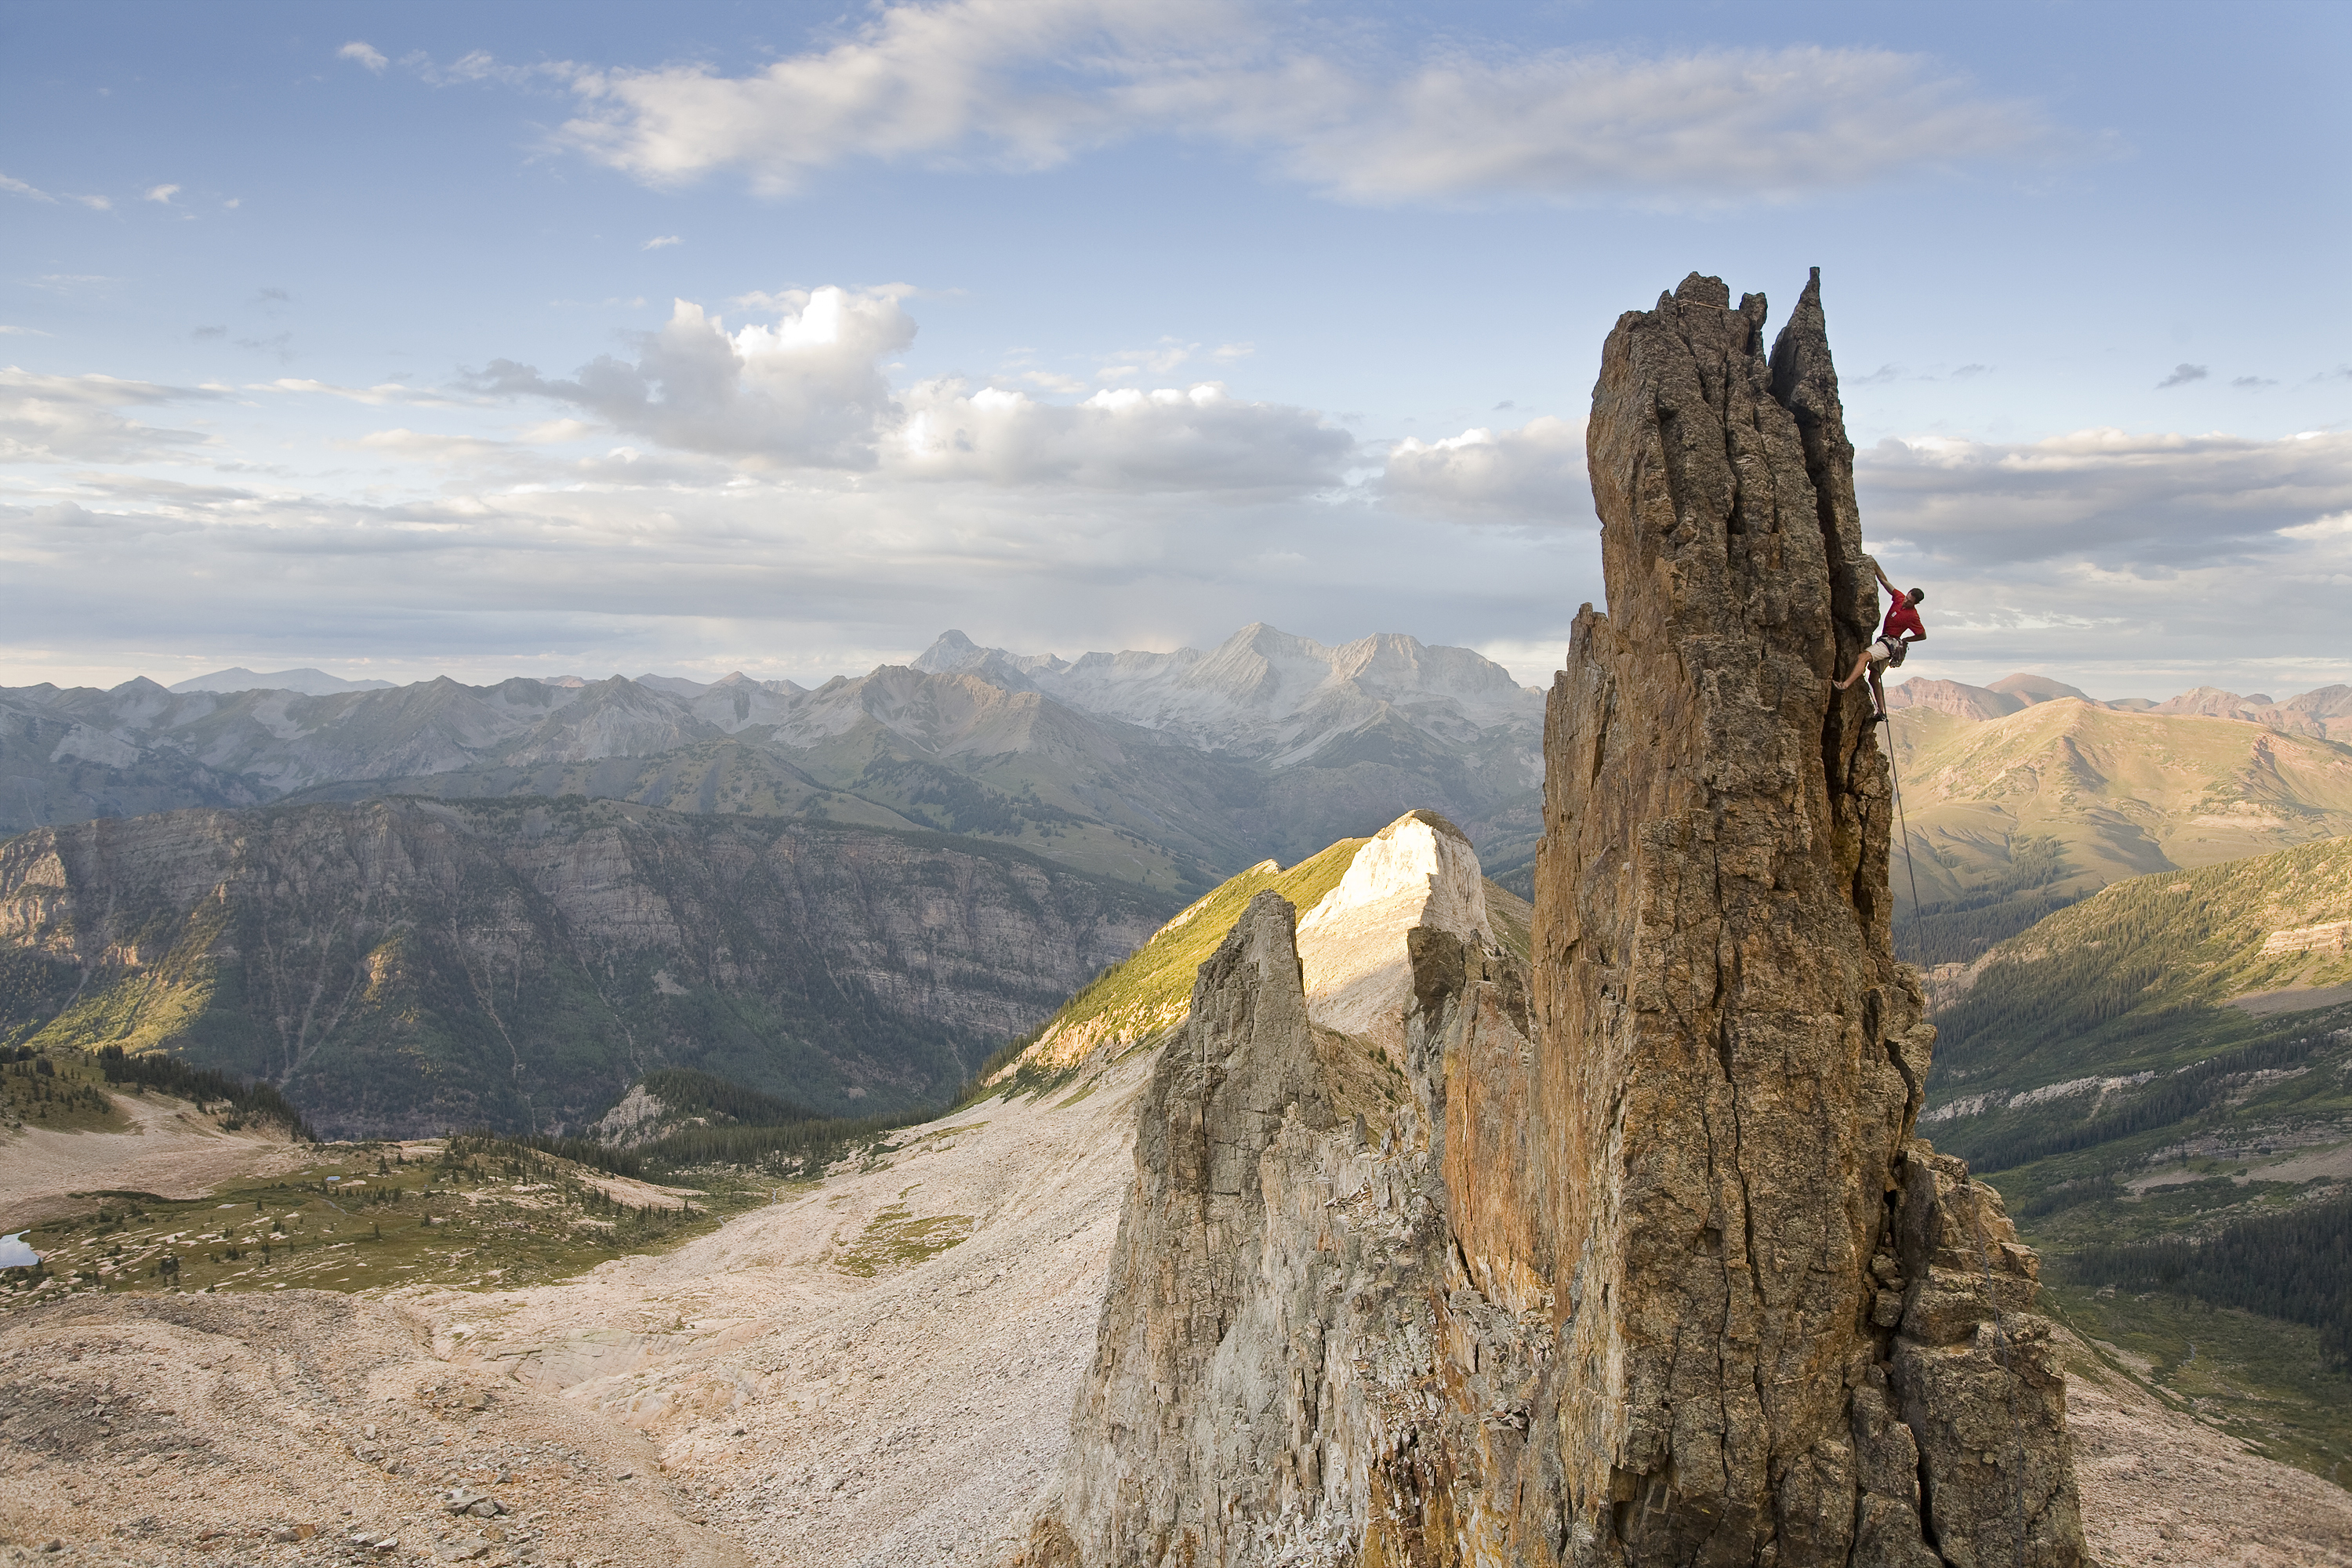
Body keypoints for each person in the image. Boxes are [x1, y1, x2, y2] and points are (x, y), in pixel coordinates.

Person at [1833, 562, 1925, 718]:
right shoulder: (1899, 597)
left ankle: (1844, 685)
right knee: (1874, 677)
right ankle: (1882, 711)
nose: (1906, 602)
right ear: (1907, 594)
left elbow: (1922, 635)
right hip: (1887, 643)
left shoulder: (1913, 616)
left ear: (1916, 603)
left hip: (1889, 644)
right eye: (1907, 598)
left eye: (1910, 602)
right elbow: (1884, 580)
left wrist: (1905, 640)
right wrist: (1873, 564)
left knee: (1863, 657)